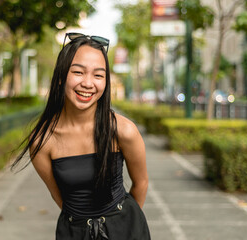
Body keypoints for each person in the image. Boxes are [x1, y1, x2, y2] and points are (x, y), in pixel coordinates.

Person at [12, 32, 150, 240]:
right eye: (78, 72)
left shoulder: (123, 130)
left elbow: (141, 183)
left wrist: (126, 223)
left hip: (127, 230)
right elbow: (59, 197)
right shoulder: (42, 141)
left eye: (98, 75)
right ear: (60, 77)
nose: (88, 83)